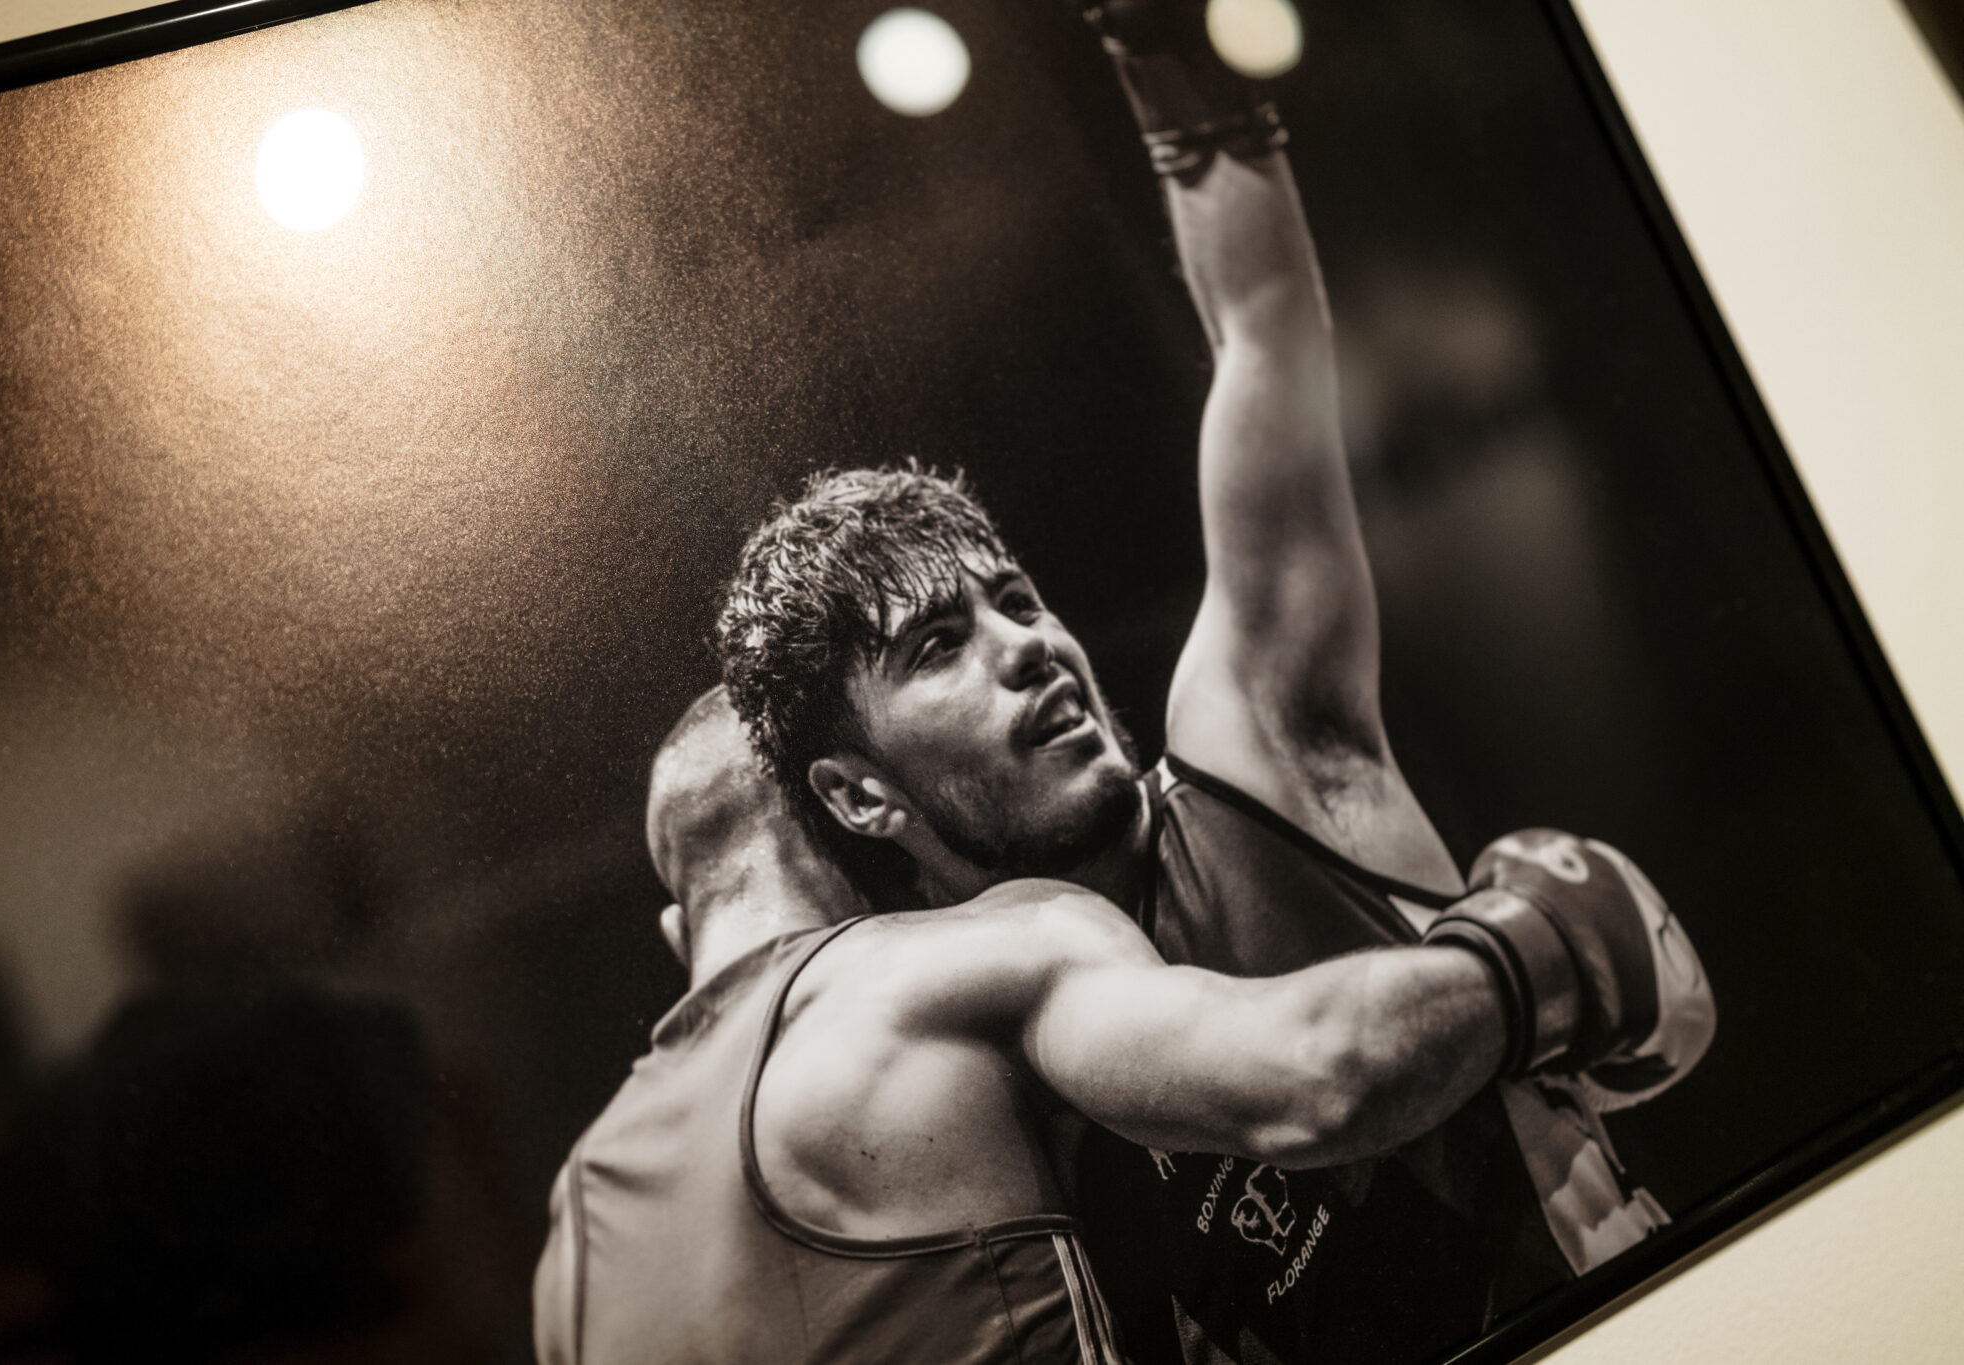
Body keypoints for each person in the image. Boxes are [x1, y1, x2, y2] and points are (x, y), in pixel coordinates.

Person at [715, 3, 1715, 1361]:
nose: (1024, 644)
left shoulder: (1255, 739)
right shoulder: (960, 1087)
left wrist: (1165, 59)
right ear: (858, 793)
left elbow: (1263, 334)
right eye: (938, 647)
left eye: (1017, 601)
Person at [532, 689, 1669, 1365]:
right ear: (849, 820)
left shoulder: (573, 1242)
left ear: (680, 928)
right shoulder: (945, 967)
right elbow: (1315, 1078)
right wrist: (1542, 952)